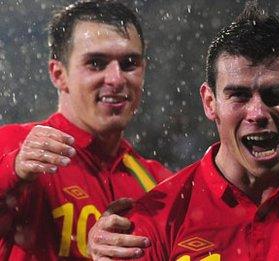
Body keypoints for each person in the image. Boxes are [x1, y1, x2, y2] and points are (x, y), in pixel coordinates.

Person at [92, 6, 279, 260]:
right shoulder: (152, 222)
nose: (258, 114)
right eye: (239, 95)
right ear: (209, 102)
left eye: (276, 94)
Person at [0, 1, 172, 259]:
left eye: (128, 63)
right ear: (59, 74)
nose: (116, 79)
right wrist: (12, 170)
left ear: (143, 71)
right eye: (96, 63)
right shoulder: (14, 147)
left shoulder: (159, 183)